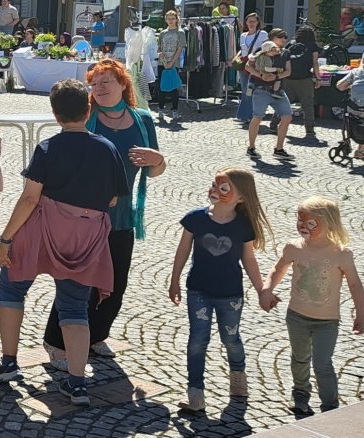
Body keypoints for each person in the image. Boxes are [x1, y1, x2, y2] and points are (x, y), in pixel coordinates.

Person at [0, 80, 128, 406]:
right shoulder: (107, 148)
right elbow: (110, 200)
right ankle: (77, 383)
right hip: (87, 236)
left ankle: (9, 362)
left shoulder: (48, 148)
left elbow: (28, 199)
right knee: (75, 306)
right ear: (89, 109)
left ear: (55, 114)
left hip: (42, 229)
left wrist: (6, 238)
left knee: (11, 289)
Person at [42, 59, 165, 368]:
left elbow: (153, 172)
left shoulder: (142, 119)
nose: (98, 88)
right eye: (94, 84)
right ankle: (55, 340)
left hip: (122, 216)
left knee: (115, 282)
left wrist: (158, 158)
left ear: (123, 84)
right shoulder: (87, 116)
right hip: (86, 216)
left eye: (106, 81)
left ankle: (96, 335)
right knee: (77, 281)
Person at [169, 167, 271, 412]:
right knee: (197, 341)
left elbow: (249, 260)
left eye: (224, 188)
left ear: (241, 198)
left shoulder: (243, 226)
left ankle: (238, 379)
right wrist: (174, 280)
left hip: (231, 295)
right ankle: (195, 393)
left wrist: (261, 290)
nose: (215, 191)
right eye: (214, 185)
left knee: (231, 338)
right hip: (198, 290)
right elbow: (182, 250)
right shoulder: (195, 218)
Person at [259, 196, 364, 415]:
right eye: (300, 220)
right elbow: (277, 269)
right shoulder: (293, 247)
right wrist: (267, 289)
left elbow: (355, 284)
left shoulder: (341, 254)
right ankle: (300, 395)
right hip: (296, 316)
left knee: (322, 362)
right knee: (299, 358)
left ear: (329, 223)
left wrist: (361, 313)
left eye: (310, 223)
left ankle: (330, 406)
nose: (302, 226)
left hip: (327, 321)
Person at [245, 28, 294, 161]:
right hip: (261, 89)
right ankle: (251, 147)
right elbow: (248, 66)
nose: (283, 40)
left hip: (278, 90)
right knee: (257, 117)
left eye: (285, 37)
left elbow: (288, 71)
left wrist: (276, 76)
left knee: (287, 116)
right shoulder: (262, 50)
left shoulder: (286, 53)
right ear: (272, 38)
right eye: (280, 37)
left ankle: (279, 149)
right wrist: (261, 75)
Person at [275, 26, 321, 136]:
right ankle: (309, 129)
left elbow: (284, 58)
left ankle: (273, 124)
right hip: (305, 78)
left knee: (283, 103)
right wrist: (318, 77)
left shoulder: (291, 44)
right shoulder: (313, 46)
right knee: (308, 104)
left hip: (289, 77)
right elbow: (315, 63)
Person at [236, 13, 268, 124]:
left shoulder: (263, 34)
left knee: (254, 90)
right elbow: (242, 49)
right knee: (245, 90)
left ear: (258, 23)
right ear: (246, 22)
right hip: (244, 65)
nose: (251, 23)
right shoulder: (243, 35)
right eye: (249, 21)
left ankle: (252, 114)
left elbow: (266, 49)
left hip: (256, 64)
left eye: (254, 21)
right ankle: (245, 115)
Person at [156, 10, 187, 123]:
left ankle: (175, 110)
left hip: (174, 63)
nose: (170, 21)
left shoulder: (180, 32)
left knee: (173, 87)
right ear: (166, 20)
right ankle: (160, 109)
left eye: (172, 18)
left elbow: (180, 49)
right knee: (161, 86)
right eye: (168, 18)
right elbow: (159, 47)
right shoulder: (163, 33)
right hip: (162, 63)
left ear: (176, 19)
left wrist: (171, 62)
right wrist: (159, 53)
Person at [336, 55, 364, 159]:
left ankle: (346, 141)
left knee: (349, 117)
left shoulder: (356, 72)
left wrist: (350, 86)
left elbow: (339, 86)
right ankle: (360, 150)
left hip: (354, 109)